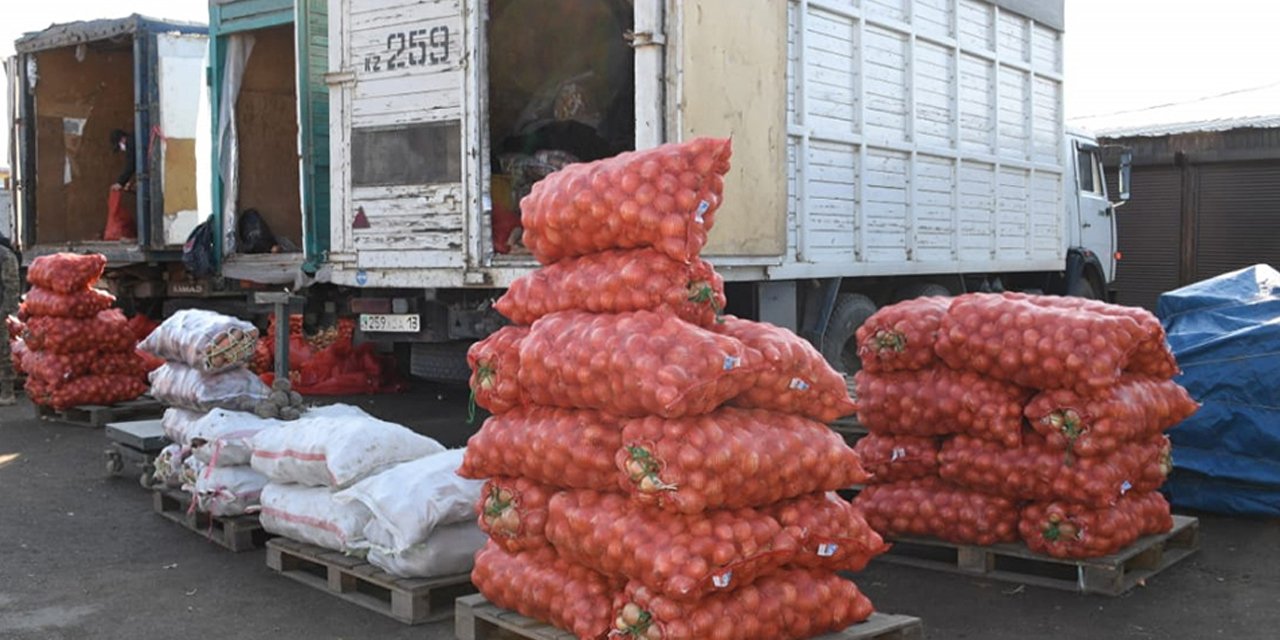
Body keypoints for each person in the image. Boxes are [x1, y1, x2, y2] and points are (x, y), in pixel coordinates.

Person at [0, 232, 19, 405]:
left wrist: (7, 310)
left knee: (3, 352)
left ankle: (7, 392)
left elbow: (12, 284)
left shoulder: (4, 255)